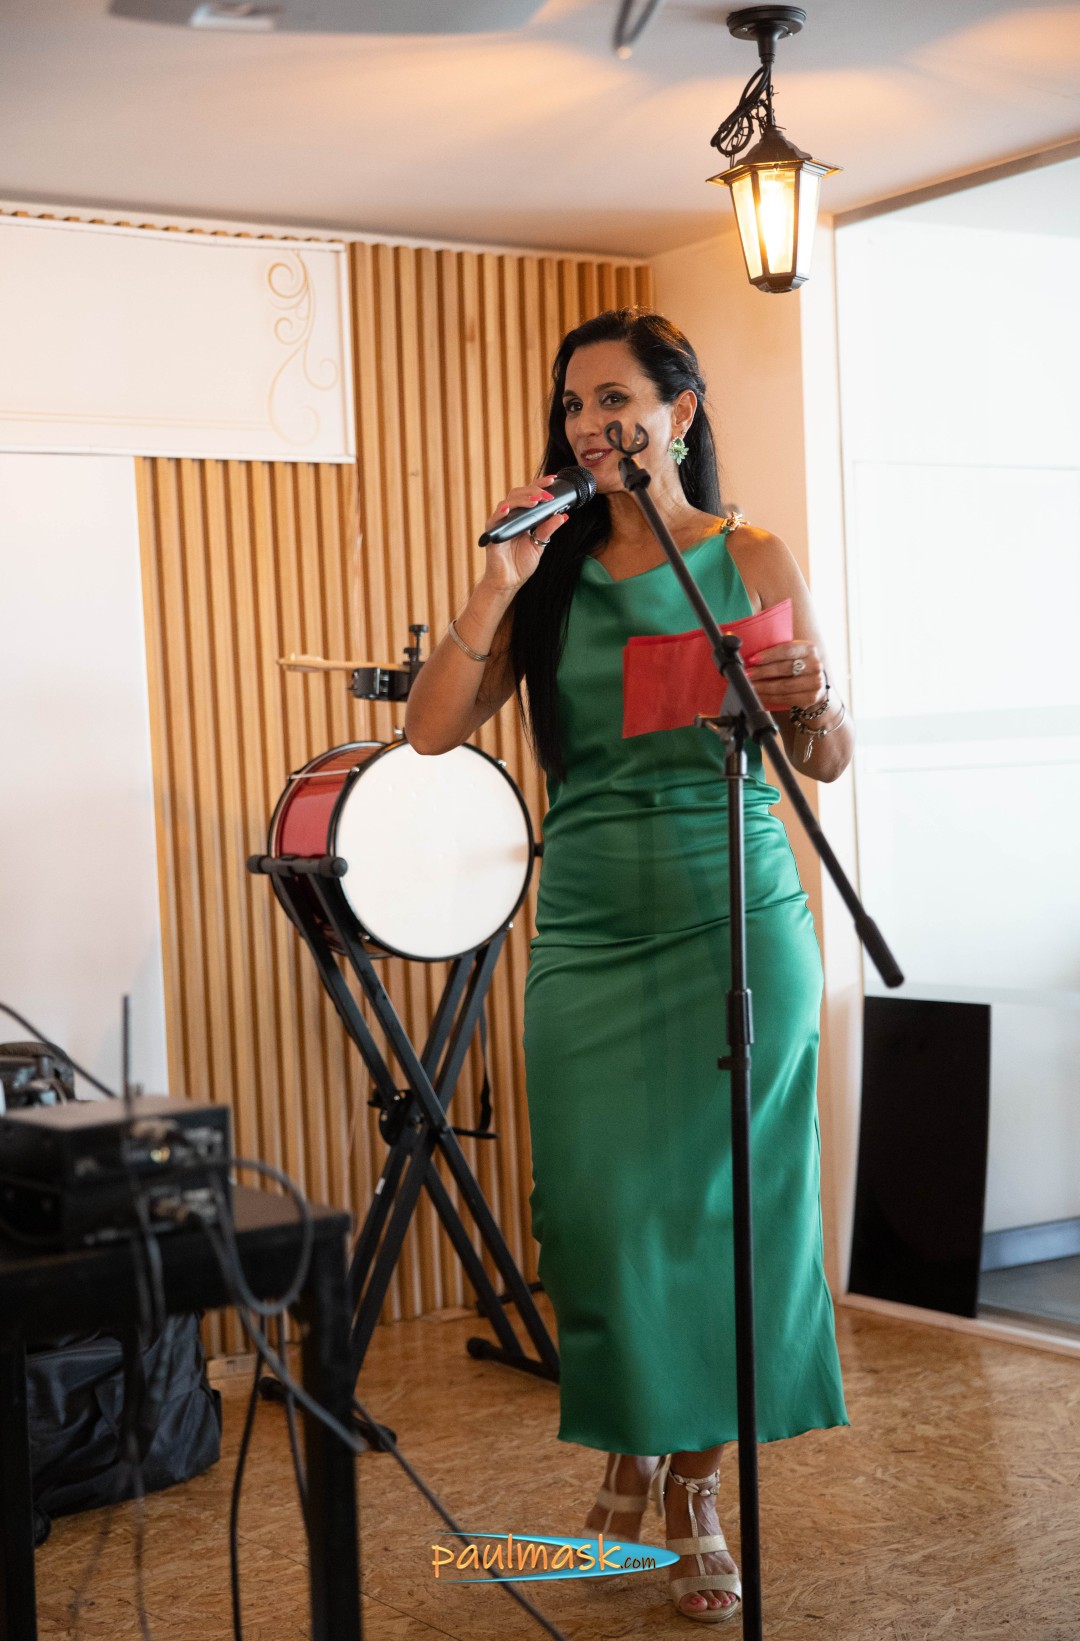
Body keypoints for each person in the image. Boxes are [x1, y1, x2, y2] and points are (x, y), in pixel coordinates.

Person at [405, 307, 852, 1625]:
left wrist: (815, 703)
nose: (592, 424)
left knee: (730, 1217)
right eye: (574, 405)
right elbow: (431, 732)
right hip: (594, 930)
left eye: (615, 400)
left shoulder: (748, 555)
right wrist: (498, 580)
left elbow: (825, 759)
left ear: (679, 414)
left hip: (736, 917)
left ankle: (694, 1488)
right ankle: (628, 1445)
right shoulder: (548, 577)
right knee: (597, 1215)